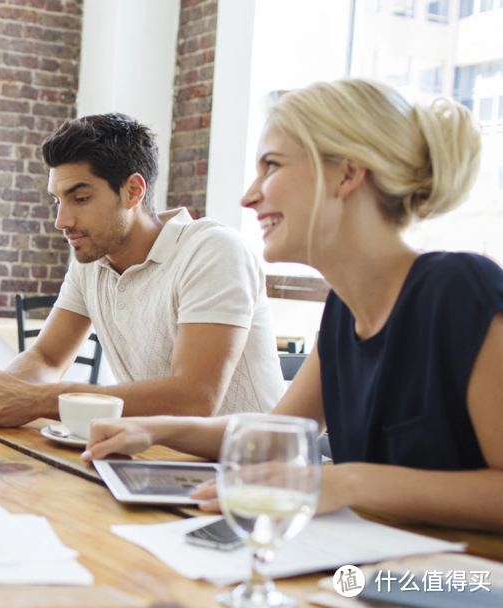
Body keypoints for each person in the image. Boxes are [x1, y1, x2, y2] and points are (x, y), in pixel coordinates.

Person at [84, 79, 503, 532]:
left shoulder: (461, 290)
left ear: (347, 173)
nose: (249, 196)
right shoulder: (345, 310)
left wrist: (347, 481)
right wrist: (156, 430)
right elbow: (275, 432)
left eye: (272, 166)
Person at [0, 113, 286, 426]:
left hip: (253, 473)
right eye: (58, 201)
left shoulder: (213, 250)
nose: (61, 220)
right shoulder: (91, 260)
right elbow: (47, 357)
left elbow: (194, 399)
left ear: (133, 191)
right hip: (153, 457)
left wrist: (38, 400)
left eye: (80, 198)